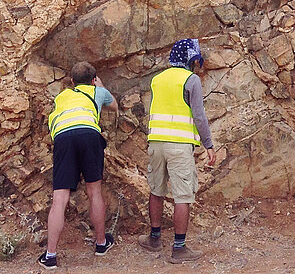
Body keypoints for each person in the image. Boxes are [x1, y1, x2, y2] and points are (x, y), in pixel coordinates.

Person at [137, 39, 216, 264]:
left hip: (156, 143)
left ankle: (154, 239)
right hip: (179, 145)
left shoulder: (157, 79)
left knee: (156, 190)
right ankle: (179, 248)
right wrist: (208, 144)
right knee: (183, 195)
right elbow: (199, 116)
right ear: (191, 59)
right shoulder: (191, 80)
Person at [38, 61, 119, 269]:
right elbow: (114, 106)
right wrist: (99, 87)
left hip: (63, 137)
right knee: (94, 191)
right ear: (93, 79)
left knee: (60, 197)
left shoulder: (62, 96)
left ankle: (51, 255)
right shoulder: (97, 91)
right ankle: (101, 243)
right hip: (89, 133)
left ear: (72, 82)